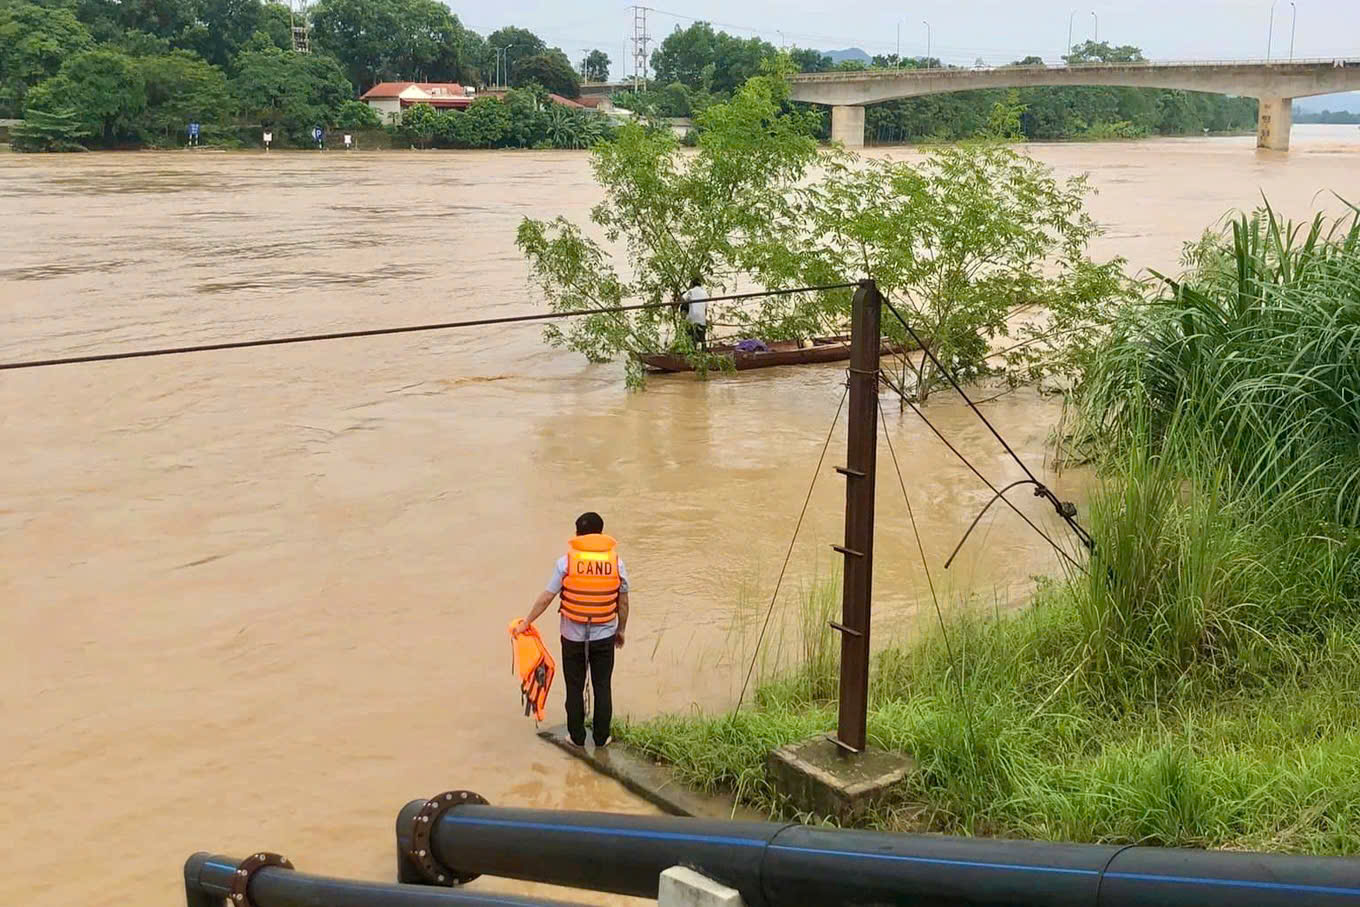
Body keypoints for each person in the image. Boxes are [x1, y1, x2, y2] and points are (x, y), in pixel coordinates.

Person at [517, 512, 629, 748]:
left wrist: (526, 622)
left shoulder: (566, 562)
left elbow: (547, 597)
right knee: (602, 686)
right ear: (601, 532)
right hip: (604, 636)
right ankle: (601, 738)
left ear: (577, 533)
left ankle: (576, 738)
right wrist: (621, 630)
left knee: (574, 686)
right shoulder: (617, 563)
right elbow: (624, 602)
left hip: (572, 638)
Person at [680, 276, 708, 350]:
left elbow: (682, 299)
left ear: (692, 284)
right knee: (702, 339)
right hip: (702, 320)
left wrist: (687, 303)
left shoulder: (690, 292)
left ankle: (693, 351)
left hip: (692, 319)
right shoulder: (704, 293)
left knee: (691, 339)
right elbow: (705, 309)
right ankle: (704, 351)